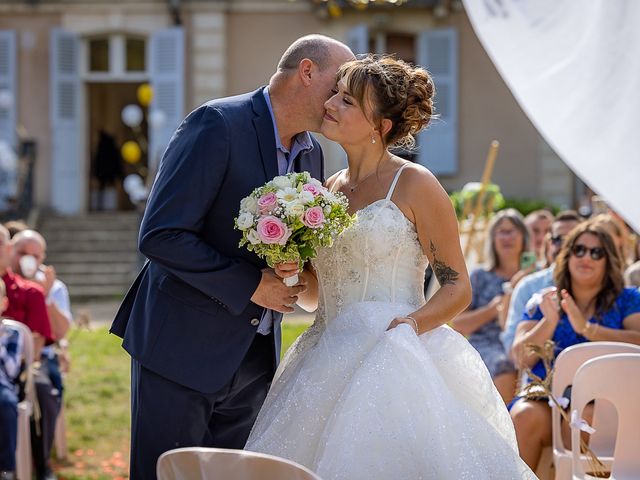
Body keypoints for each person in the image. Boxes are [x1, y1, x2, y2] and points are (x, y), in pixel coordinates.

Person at [245, 55, 535, 479]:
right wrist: (291, 272)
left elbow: (457, 288)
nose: (330, 105)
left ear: (379, 126)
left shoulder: (416, 184)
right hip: (323, 356)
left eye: (346, 101)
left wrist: (407, 328)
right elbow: (314, 296)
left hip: (393, 353)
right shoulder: (326, 191)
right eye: (336, 95)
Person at [109, 35, 354, 479]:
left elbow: (288, 245)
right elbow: (161, 234)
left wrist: (291, 271)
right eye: (339, 86)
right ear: (306, 71)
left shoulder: (313, 154)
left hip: (255, 358)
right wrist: (252, 285)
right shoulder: (217, 124)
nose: (342, 101)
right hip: (181, 350)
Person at [510, 221, 640, 470]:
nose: (586, 257)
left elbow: (638, 340)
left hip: (608, 405)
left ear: (608, 260)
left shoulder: (629, 300)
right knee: (523, 416)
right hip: (546, 402)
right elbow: (520, 358)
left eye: (596, 252)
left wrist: (588, 330)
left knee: (584, 421)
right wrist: (549, 322)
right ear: (567, 256)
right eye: (579, 249)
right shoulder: (544, 300)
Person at [451, 208, 529, 402]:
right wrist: (492, 310)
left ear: (523, 237)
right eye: (501, 232)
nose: (506, 237)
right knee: (505, 365)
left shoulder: (531, 279)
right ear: (492, 239)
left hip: (523, 343)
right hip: (487, 344)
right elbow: (459, 324)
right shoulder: (480, 277)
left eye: (512, 231)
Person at [11, 229, 72, 480]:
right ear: (9, 252)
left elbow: (60, 332)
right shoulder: (7, 284)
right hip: (10, 358)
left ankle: (41, 464)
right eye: (22, 254)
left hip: (41, 358)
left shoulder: (54, 287)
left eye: (35, 255)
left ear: (43, 257)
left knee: (45, 391)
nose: (29, 260)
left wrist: (45, 297)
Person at [501, 210, 582, 354]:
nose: (564, 247)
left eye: (572, 240)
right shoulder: (528, 287)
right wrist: (548, 322)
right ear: (549, 243)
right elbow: (513, 351)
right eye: (558, 240)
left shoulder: (602, 287)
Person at [0, 279, 21, 480]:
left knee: (6, 404)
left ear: (4, 302)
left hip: (2, 384)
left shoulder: (12, 333)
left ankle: (6, 469)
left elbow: (12, 370)